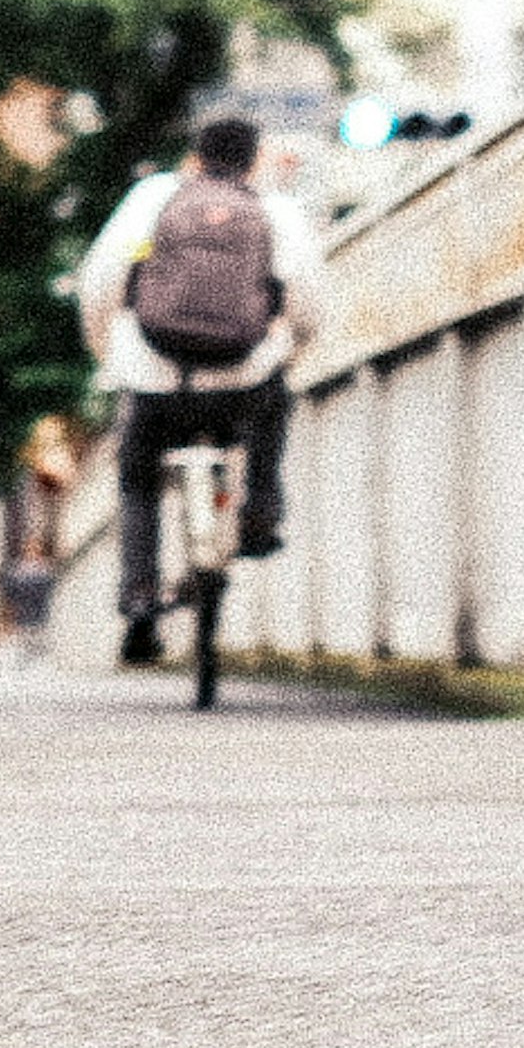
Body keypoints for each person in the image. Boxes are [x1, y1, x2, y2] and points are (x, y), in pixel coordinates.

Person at [75, 115, 325, 666]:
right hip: (242, 376)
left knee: (138, 476)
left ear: (195, 155)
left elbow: (100, 282)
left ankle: (139, 593)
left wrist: (113, 357)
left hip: (153, 376)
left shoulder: (153, 198)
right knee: (273, 404)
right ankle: (260, 513)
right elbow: (306, 298)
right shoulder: (274, 209)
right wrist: (289, 348)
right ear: (254, 159)